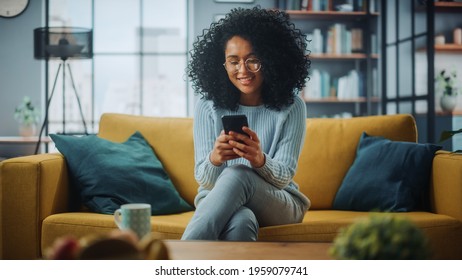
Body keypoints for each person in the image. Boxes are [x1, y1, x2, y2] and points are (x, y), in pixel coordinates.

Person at [181, 6, 311, 241]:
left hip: (279, 203)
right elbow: (205, 180)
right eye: (233, 62)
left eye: (253, 61)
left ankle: (176, 260)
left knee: (239, 173)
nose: (243, 70)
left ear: (271, 61)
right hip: (217, 200)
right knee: (242, 222)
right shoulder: (207, 106)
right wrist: (215, 158)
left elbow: (283, 178)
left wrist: (259, 160)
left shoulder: (293, 107)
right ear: (222, 65)